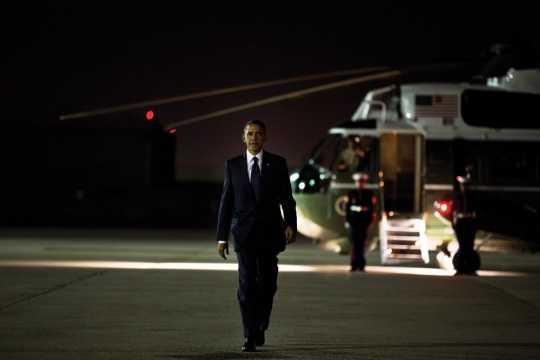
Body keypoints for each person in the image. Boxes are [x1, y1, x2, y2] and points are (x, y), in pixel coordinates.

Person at [216, 119, 297, 352]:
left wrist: (290, 224)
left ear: (265, 137)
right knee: (246, 284)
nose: (254, 138)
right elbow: (226, 201)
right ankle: (249, 335)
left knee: (267, 284)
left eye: (258, 133)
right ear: (243, 138)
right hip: (243, 234)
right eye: (250, 134)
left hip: (271, 234)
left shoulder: (278, 164)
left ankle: (262, 323)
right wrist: (222, 237)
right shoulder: (232, 165)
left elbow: (286, 199)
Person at [344, 172, 377, 272]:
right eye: (358, 182)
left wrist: (371, 220)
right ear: (355, 183)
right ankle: (354, 264)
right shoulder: (351, 194)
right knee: (354, 244)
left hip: (363, 221)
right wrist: (347, 220)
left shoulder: (368, 194)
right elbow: (347, 209)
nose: (359, 184)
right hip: (354, 221)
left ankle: (361, 265)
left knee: (362, 243)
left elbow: (372, 209)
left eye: (361, 182)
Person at [452, 173, 480, 275]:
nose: (463, 187)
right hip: (461, 222)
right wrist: (454, 225)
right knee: (462, 246)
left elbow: (476, 212)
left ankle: (469, 268)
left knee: (469, 246)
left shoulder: (472, 197)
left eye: (465, 185)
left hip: (469, 222)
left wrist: (475, 224)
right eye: (462, 185)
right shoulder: (457, 197)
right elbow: (453, 212)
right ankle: (460, 268)